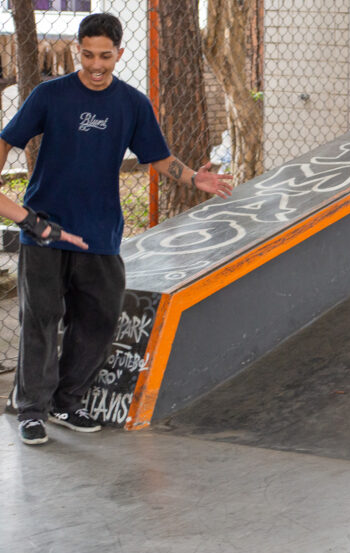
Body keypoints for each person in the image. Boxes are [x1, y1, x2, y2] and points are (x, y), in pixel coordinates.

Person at [1, 13, 233, 445]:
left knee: (100, 318)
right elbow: (8, 136)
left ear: (118, 55)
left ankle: (67, 401)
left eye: (104, 56)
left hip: (99, 232)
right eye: (87, 55)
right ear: (77, 50)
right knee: (42, 320)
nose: (95, 65)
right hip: (45, 230)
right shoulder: (50, 96)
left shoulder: (131, 103)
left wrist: (193, 179)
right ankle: (32, 409)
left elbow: (158, 157)